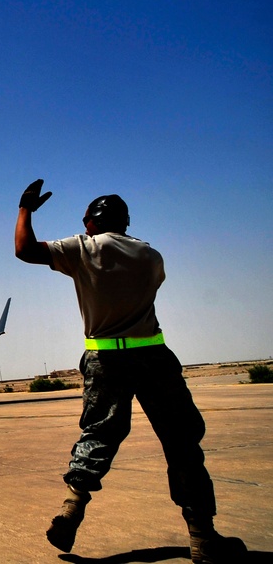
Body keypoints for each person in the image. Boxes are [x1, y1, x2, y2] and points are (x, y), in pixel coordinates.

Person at [14, 179, 246, 564]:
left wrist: (25, 209)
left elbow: (23, 250)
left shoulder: (81, 248)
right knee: (182, 443)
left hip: (104, 360)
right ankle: (203, 538)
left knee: (99, 435)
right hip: (153, 356)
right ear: (125, 222)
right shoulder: (150, 256)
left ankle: (71, 510)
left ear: (90, 221)